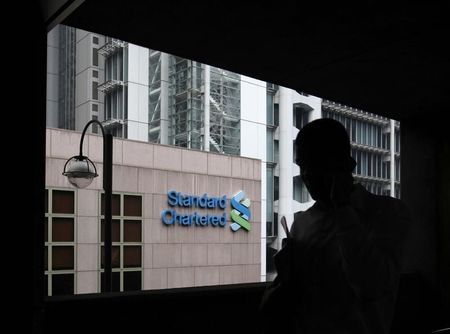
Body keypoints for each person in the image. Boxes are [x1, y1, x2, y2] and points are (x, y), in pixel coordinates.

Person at [259, 118, 411, 334]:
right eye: (302, 165)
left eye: (317, 163)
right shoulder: (302, 224)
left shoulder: (388, 213)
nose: (307, 175)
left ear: (346, 164)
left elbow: (371, 286)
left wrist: (342, 209)